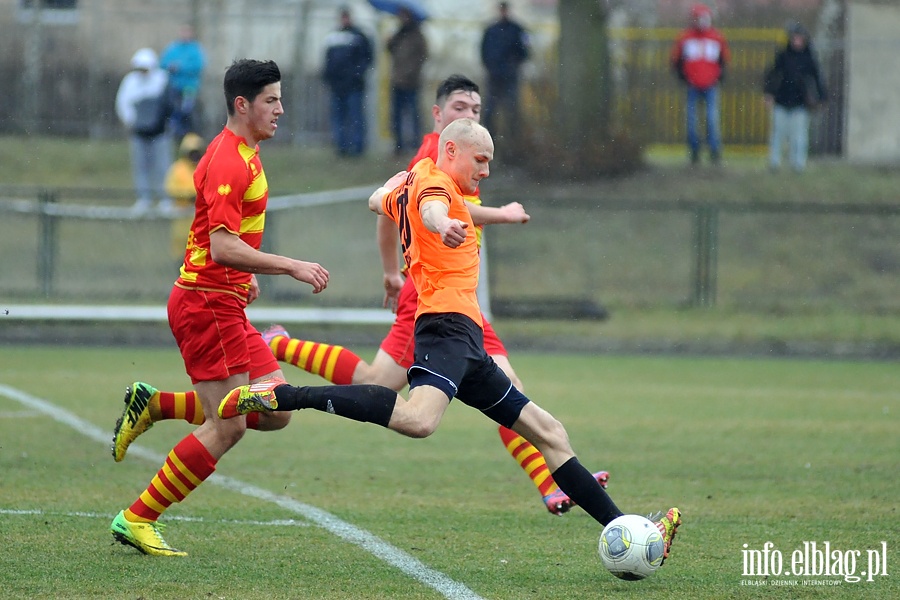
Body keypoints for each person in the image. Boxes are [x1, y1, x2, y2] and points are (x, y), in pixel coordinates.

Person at [111, 74, 607, 515]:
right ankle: (138, 516)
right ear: (441, 121)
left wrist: (464, 213)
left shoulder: (439, 173)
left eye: (476, 109)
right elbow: (428, 207)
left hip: (458, 318)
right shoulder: (434, 169)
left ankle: (601, 511)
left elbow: (385, 200)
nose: (471, 119)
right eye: (461, 109)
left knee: (277, 412)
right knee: (408, 413)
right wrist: (413, 248)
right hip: (438, 313)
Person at [217, 118, 682, 564]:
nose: (486, 171)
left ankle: (630, 530)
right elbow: (431, 207)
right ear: (452, 149)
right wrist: (441, 224)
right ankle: (284, 395)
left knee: (550, 432)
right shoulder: (436, 184)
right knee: (419, 421)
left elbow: (378, 200)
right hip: (444, 327)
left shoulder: (416, 177)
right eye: (480, 160)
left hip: (466, 337)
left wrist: (391, 191)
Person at [109, 58, 330, 557]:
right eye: (271, 100)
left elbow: (220, 239)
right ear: (242, 104)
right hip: (206, 305)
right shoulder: (230, 158)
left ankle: (158, 404)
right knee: (228, 425)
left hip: (222, 300)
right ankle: (137, 517)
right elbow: (221, 245)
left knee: (275, 410)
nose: (280, 109)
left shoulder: (245, 151)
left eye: (280, 99)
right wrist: (289, 265)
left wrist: (244, 276)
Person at [115, 47, 174, 215]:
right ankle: (144, 199)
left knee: (162, 166)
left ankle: (165, 199)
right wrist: (132, 122)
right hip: (139, 132)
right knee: (141, 166)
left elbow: (168, 104)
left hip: (160, 132)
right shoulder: (130, 82)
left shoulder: (162, 80)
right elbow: (123, 103)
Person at [670, 3, 730, 165]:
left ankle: (714, 150)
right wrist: (684, 77)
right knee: (692, 121)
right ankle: (694, 150)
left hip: (710, 85)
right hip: (692, 85)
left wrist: (718, 78)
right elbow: (675, 61)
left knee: (712, 119)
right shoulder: (685, 38)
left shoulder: (717, 38)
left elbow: (723, 61)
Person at [763, 22, 827, 173]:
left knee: (799, 136)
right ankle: (774, 163)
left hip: (800, 103)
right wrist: (769, 93)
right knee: (778, 134)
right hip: (782, 100)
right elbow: (772, 75)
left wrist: (821, 98)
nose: (797, 41)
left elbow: (817, 78)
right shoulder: (783, 56)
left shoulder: (809, 58)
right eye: (795, 38)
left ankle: (798, 164)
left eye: (800, 38)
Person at [322, 6, 373, 157]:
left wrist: (356, 75)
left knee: (355, 116)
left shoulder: (359, 36)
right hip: (337, 86)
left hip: (353, 85)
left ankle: (358, 147)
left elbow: (367, 59)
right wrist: (329, 78)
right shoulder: (333, 37)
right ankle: (342, 147)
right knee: (339, 117)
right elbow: (328, 61)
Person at [480, 1, 530, 144]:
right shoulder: (491, 30)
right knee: (490, 110)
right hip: (494, 76)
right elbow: (484, 52)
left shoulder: (516, 30)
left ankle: (513, 142)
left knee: (512, 110)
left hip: (510, 76)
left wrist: (513, 65)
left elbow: (524, 52)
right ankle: (490, 140)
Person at [386, 7, 428, 156]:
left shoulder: (417, 36)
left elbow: (422, 57)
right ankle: (399, 145)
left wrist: (410, 73)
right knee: (396, 115)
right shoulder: (399, 34)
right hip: (397, 81)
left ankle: (416, 145)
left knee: (413, 114)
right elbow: (390, 50)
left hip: (411, 82)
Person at [159, 24, 207, 141]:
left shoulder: (195, 49)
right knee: (174, 111)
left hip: (189, 87)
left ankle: (190, 136)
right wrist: (171, 66)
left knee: (187, 111)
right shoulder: (173, 48)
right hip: (174, 87)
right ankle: (175, 135)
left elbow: (199, 65)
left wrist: (181, 67)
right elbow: (163, 63)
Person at [164, 132, 204, 260]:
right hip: (181, 218)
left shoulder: (204, 167)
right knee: (181, 254)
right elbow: (170, 188)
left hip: (200, 219)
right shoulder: (177, 168)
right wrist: (188, 196)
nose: (194, 155)